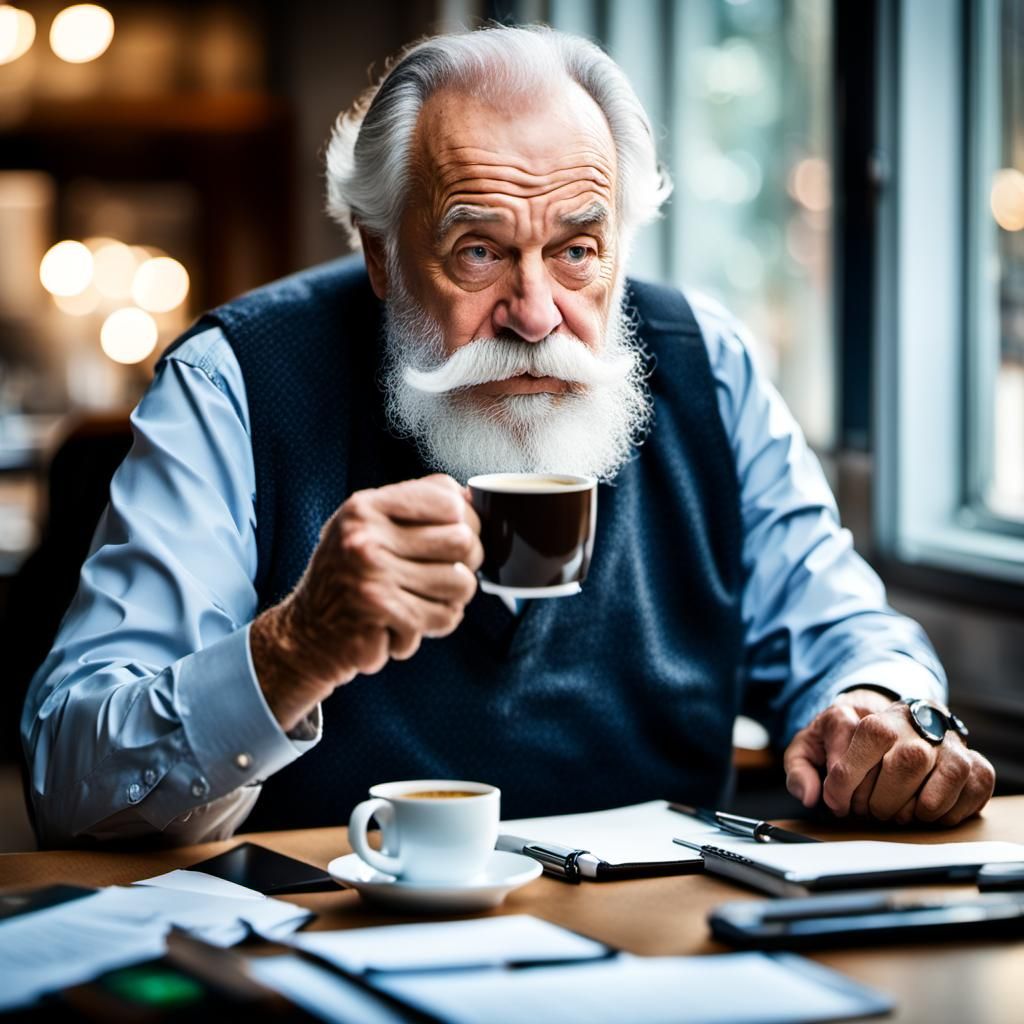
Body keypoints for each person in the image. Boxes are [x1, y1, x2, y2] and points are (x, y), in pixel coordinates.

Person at [22, 25, 994, 847]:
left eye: (577, 250)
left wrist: (874, 706)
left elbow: (846, 632)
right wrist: (291, 648)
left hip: (661, 964)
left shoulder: (708, 366)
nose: (535, 315)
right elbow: (71, 775)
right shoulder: (237, 379)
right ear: (378, 250)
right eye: (477, 250)